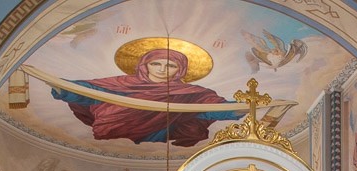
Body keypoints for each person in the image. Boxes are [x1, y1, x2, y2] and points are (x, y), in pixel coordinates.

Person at [52, 46, 240, 146]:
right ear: (145, 65)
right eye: (156, 64)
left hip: (162, 132)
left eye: (170, 66)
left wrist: (240, 108)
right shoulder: (124, 82)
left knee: (191, 124)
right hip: (117, 127)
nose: (162, 70)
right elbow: (93, 91)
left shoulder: (191, 93)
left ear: (180, 70)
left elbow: (211, 108)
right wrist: (65, 89)